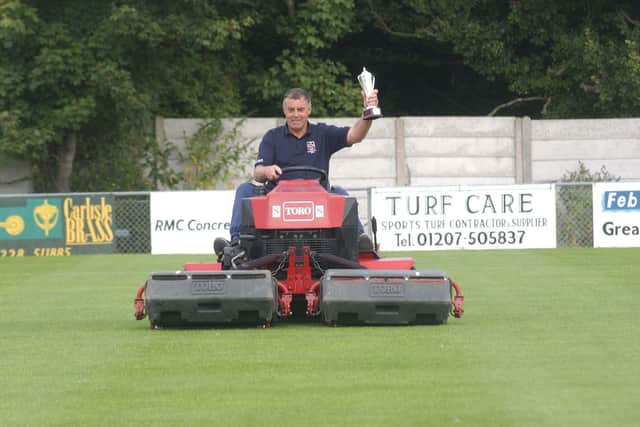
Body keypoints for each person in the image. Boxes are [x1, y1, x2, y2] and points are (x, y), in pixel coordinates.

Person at [215, 87, 379, 255]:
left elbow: (354, 135)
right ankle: (236, 244)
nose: (296, 114)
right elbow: (258, 172)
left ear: (309, 110)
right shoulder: (272, 137)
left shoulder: (322, 134)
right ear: (284, 111)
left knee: (341, 193)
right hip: (277, 200)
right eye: (291, 110)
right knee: (245, 189)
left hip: (318, 198)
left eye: (300, 109)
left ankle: (359, 242)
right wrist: (267, 170)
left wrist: (367, 113)